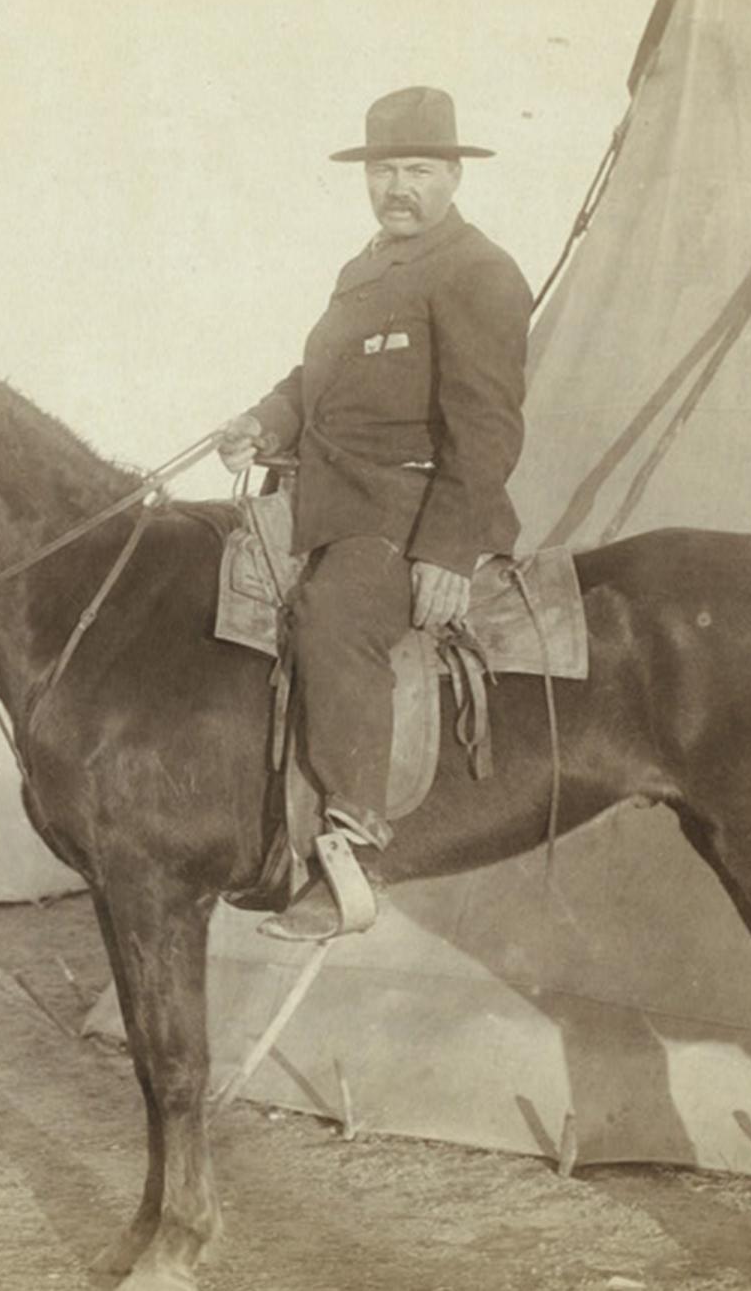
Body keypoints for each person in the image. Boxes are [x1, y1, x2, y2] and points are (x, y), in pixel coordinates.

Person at [218, 86, 532, 941]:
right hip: (328, 498)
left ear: (454, 174)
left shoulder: (478, 272)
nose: (399, 187)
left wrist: (446, 554)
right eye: (386, 169)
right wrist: (263, 422)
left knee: (333, 618)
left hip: (407, 511)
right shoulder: (363, 270)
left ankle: (353, 850)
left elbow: (489, 428)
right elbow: (311, 383)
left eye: (420, 170)